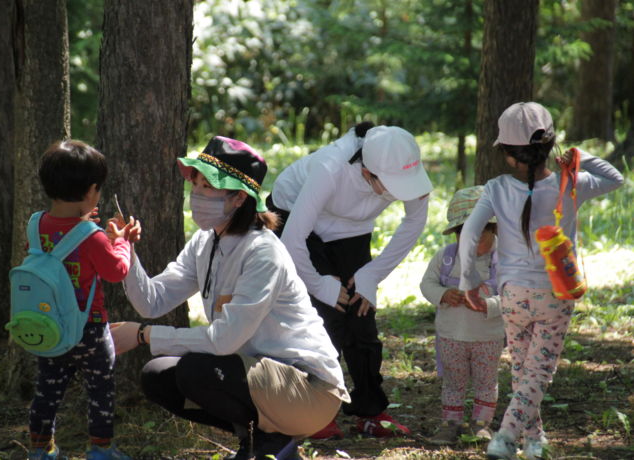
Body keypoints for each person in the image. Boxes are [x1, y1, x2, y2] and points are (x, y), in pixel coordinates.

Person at [109, 136, 350, 460]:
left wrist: (142, 335)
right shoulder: (205, 242)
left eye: (207, 187)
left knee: (195, 370)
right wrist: (126, 253)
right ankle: (259, 441)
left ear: (238, 197)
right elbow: (152, 301)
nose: (196, 195)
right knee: (158, 376)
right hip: (258, 379)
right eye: (195, 185)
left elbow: (222, 342)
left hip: (309, 391)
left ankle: (271, 444)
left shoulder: (263, 252)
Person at [458, 102, 624, 460]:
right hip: (556, 293)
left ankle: (535, 443)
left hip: (513, 294)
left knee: (523, 369)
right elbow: (616, 177)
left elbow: (470, 233)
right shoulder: (572, 183)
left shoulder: (495, 187)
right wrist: (580, 156)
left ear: (507, 153)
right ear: (550, 146)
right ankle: (505, 438)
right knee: (537, 373)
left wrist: (466, 279)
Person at [267, 123, 432, 438]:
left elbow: (414, 221)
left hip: (351, 227)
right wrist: (320, 285)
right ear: (368, 173)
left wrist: (372, 274)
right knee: (323, 316)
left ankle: (371, 411)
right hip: (293, 219)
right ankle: (311, 411)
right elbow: (292, 239)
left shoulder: (403, 166)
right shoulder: (330, 168)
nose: (404, 192)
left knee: (361, 314)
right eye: (395, 185)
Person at [27, 140, 141, 460]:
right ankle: (101, 450)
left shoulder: (35, 225)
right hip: (89, 327)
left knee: (47, 389)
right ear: (92, 191)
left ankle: (40, 448)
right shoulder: (92, 236)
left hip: (49, 325)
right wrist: (120, 243)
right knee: (100, 391)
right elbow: (116, 271)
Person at [420, 186, 504, 445]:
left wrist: (488, 304)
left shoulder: (504, 260)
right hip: (451, 336)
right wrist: (444, 294)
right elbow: (427, 284)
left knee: (486, 381)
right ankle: (451, 423)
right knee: (454, 382)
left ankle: (481, 423)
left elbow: (514, 296)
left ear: (494, 230)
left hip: (487, 338)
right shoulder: (445, 258)